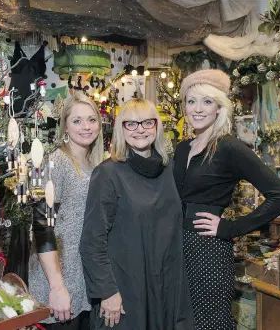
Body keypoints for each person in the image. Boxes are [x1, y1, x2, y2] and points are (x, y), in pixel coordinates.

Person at [174, 69, 280, 330]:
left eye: (207, 101)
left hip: (208, 251)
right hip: (175, 249)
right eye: (191, 101)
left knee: (210, 323)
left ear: (219, 107)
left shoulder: (229, 147)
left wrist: (231, 228)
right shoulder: (182, 148)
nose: (197, 109)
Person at [80, 98, 195, 330]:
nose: (140, 129)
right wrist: (107, 292)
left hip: (167, 287)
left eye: (146, 122)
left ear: (157, 126)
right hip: (126, 290)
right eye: (130, 124)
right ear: (121, 129)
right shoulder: (108, 174)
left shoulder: (169, 169)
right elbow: (92, 241)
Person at [29, 93, 104, 329]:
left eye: (92, 120)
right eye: (77, 121)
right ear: (65, 126)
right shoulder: (55, 162)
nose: (86, 127)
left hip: (82, 278)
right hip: (59, 278)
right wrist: (57, 286)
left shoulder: (95, 164)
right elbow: (41, 227)